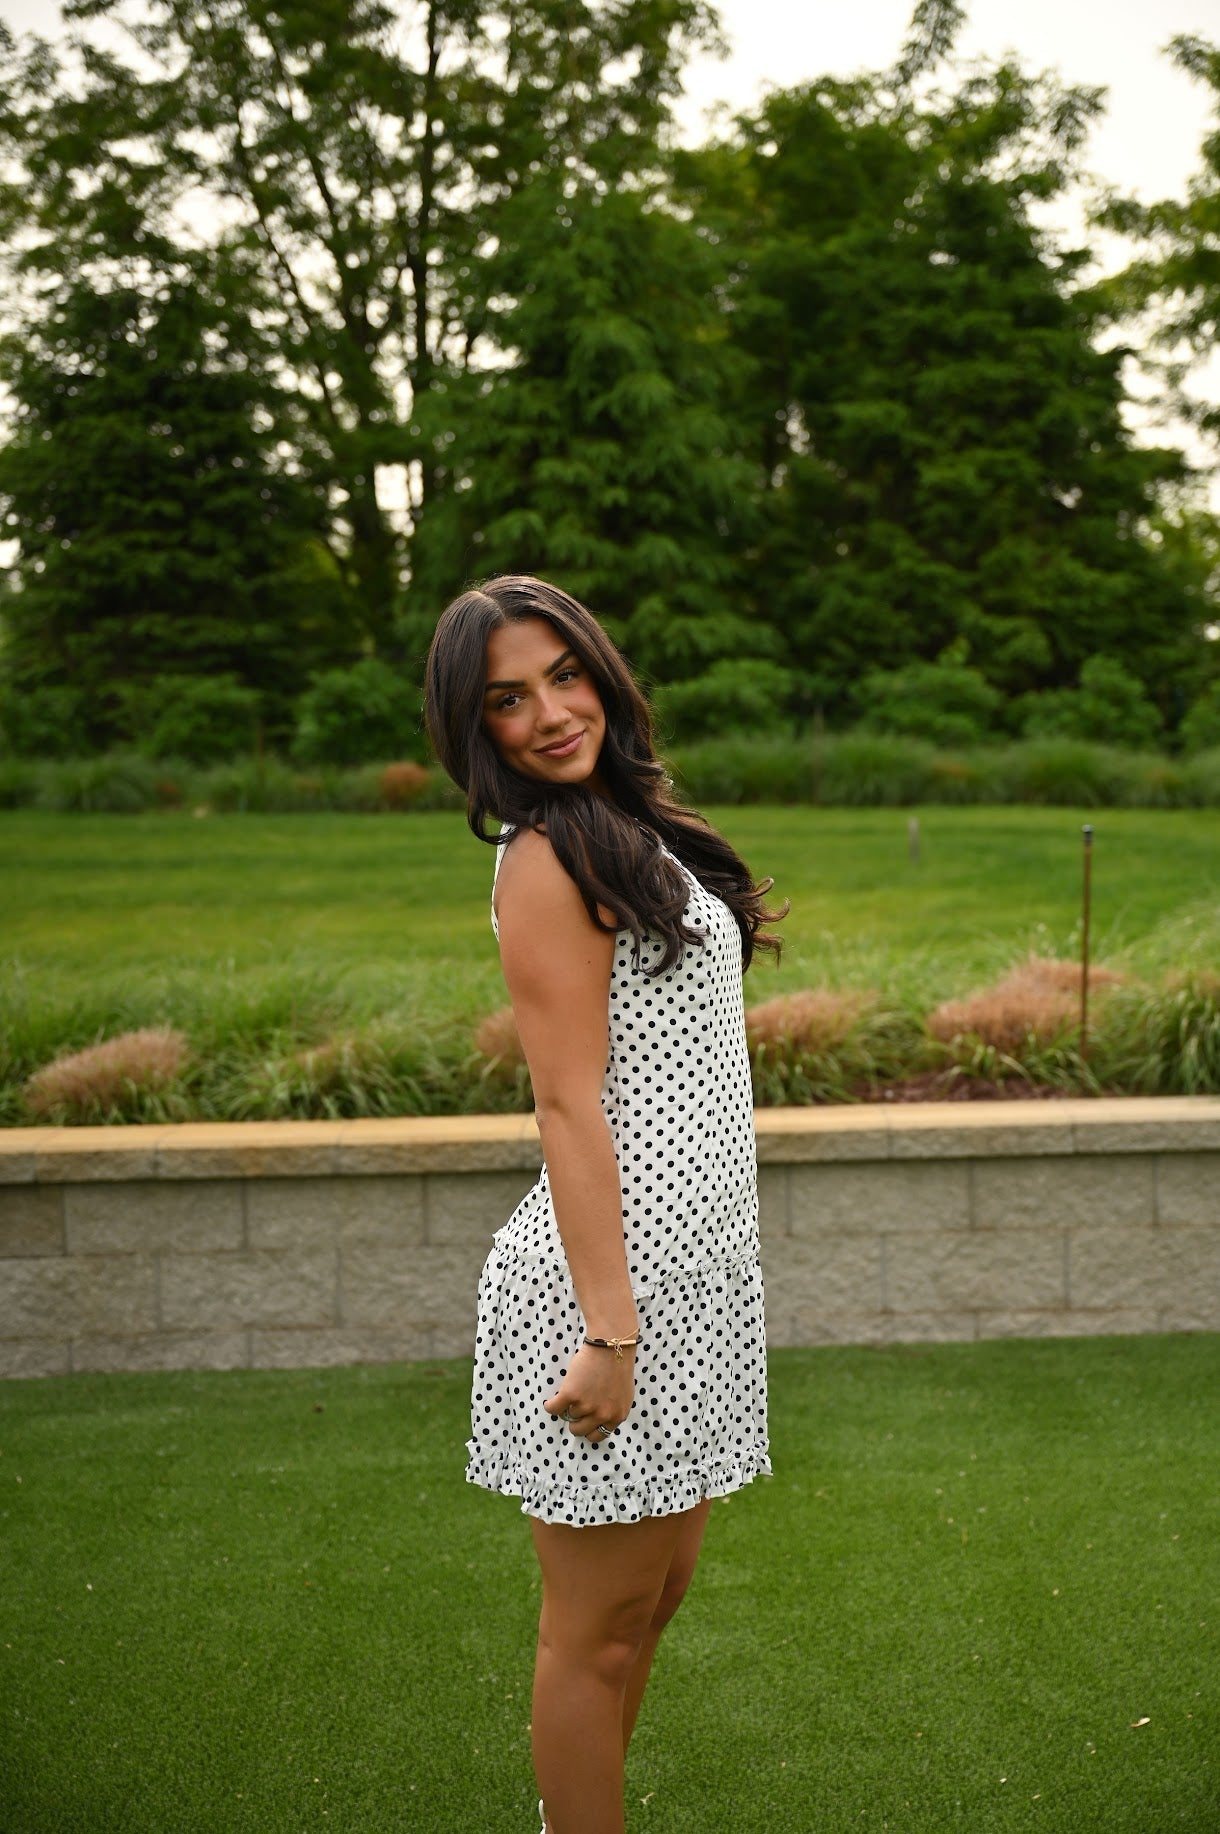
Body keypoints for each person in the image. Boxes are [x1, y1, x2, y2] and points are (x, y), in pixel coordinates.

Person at [424, 575, 782, 1834]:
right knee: (594, 1632)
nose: (550, 713)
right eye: (507, 700)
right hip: (607, 1296)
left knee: (649, 1603)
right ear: (476, 729)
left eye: (563, 675)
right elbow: (566, 1106)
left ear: (599, 671)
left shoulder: (626, 822)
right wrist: (609, 1330)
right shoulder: (542, 858)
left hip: (693, 1277)